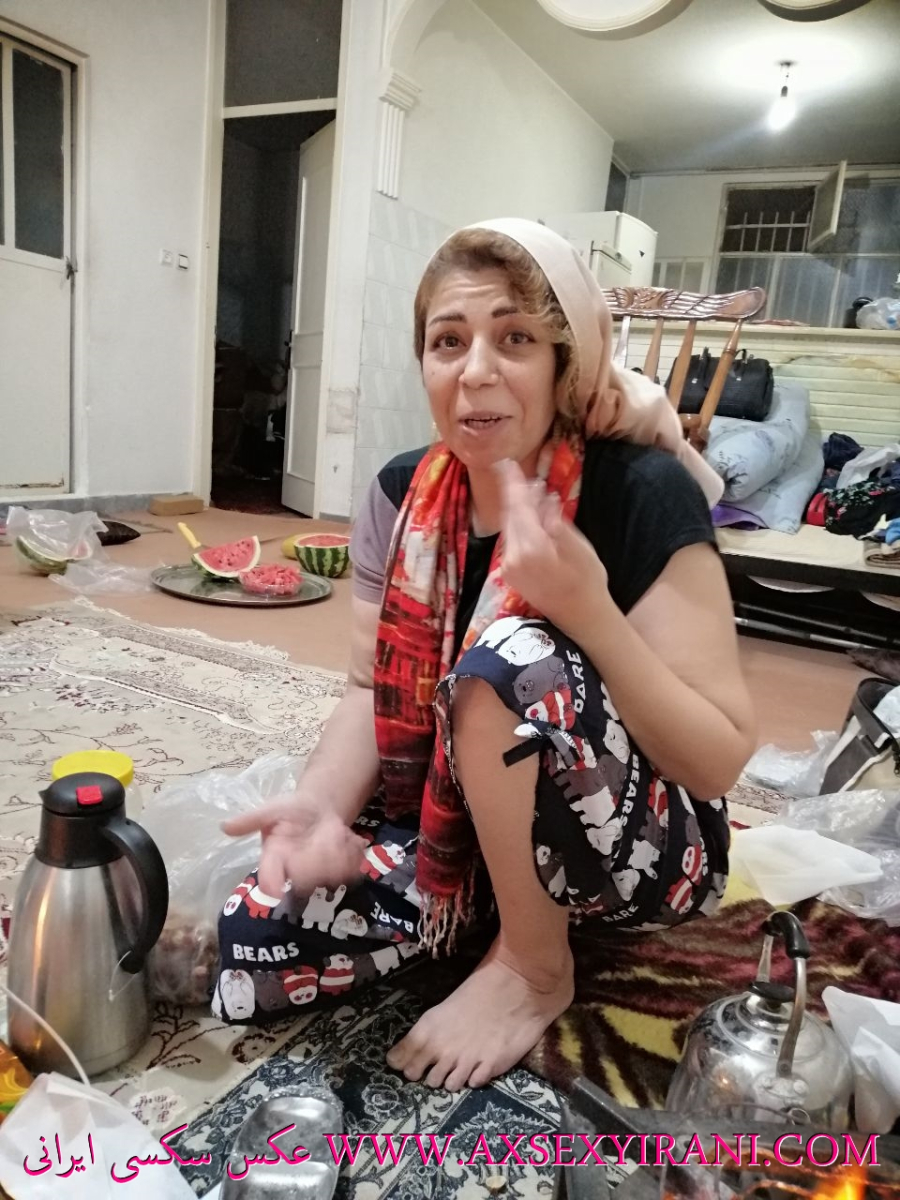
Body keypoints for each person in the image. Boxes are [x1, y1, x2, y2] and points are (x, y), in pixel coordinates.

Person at [214, 218, 757, 1093]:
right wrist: (322, 807)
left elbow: (717, 759)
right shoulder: (400, 494)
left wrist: (589, 613)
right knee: (255, 945)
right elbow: (365, 689)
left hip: (635, 848)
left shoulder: (639, 490)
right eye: (448, 342)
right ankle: (483, 912)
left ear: (565, 364)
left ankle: (535, 965)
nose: (474, 371)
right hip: (461, 830)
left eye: (514, 339)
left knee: (505, 660)